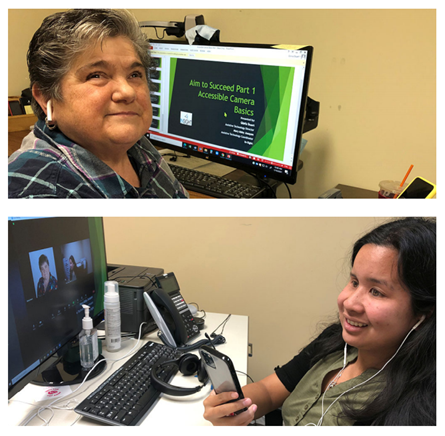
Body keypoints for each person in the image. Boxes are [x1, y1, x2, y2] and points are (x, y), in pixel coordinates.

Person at [203, 218, 436, 426]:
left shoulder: (415, 411)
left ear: (422, 312)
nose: (349, 303)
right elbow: (269, 390)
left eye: (376, 292)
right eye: (354, 282)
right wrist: (232, 406)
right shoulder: (335, 340)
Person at [8, 9, 188, 199]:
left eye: (134, 75)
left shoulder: (137, 148)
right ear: (46, 98)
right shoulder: (36, 191)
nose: (127, 92)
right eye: (96, 75)